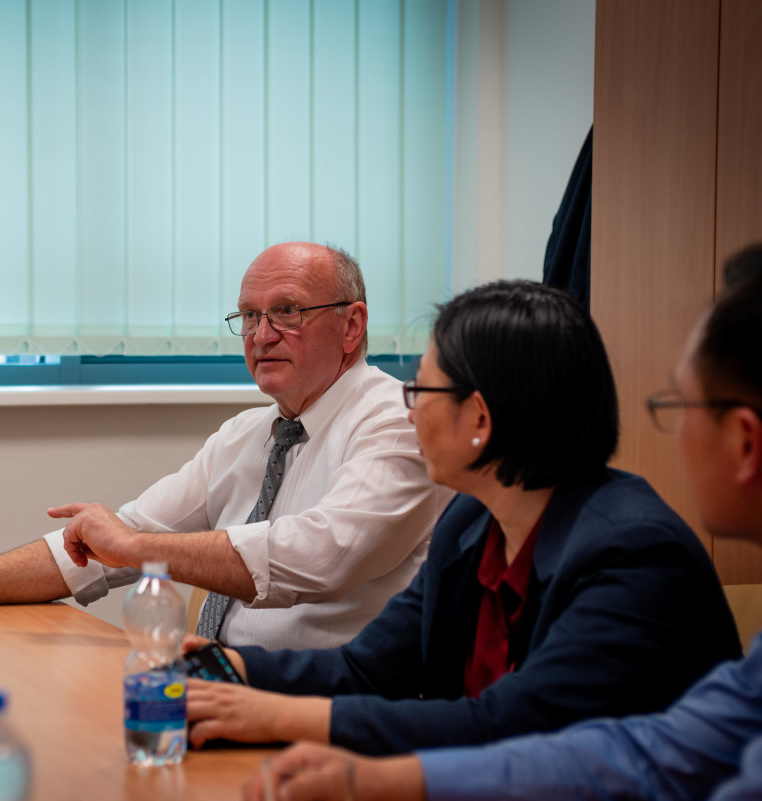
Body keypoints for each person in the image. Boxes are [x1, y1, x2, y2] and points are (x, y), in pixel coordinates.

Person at [243, 246, 762, 801]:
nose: (409, 412)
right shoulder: (472, 521)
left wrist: (274, 717)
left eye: (421, 391)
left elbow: (508, 725)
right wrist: (230, 670)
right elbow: (367, 668)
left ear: (480, 418)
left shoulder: (636, 554)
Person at [0, 241, 451, 650]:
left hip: (328, 710)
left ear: (352, 325)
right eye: (248, 316)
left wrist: (135, 547)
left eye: (287, 312)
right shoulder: (246, 433)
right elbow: (107, 544)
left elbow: (324, 555)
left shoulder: (397, 420)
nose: (261, 335)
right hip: (219, 685)